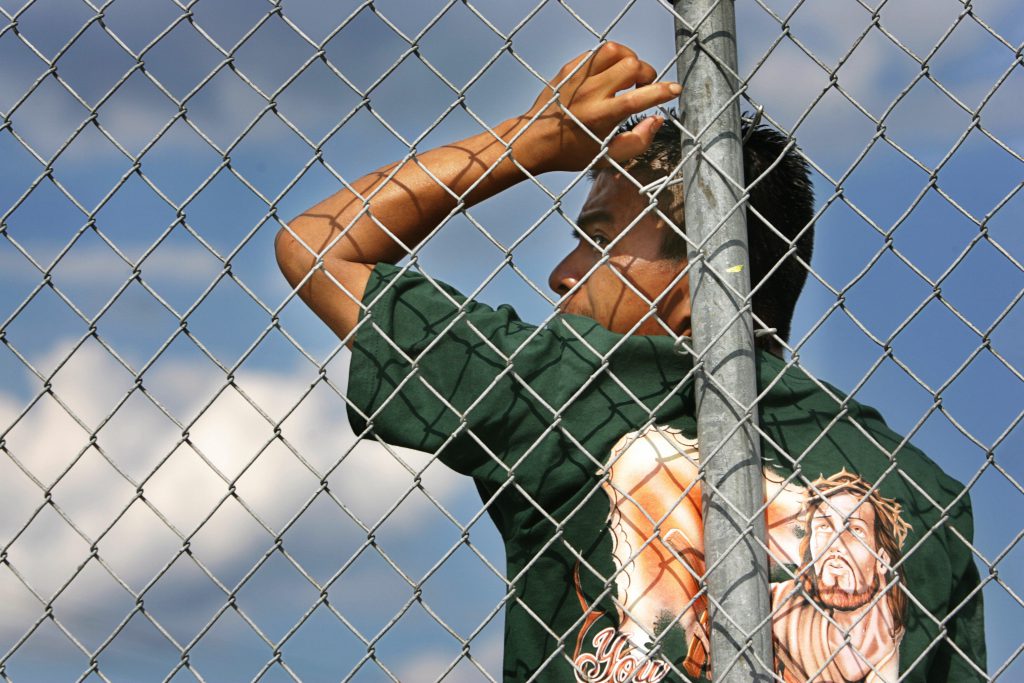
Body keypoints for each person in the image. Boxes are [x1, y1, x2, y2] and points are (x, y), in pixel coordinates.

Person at [275, 42, 985, 682]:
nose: (561, 272)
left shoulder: (575, 389)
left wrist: (532, 141)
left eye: (598, 238)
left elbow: (319, 246)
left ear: (700, 278)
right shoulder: (925, 497)